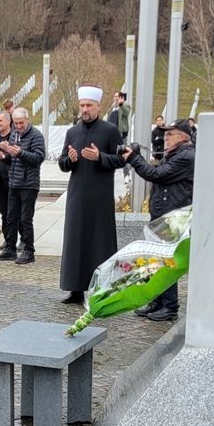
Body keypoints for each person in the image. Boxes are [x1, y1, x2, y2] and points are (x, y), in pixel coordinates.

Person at [56, 85, 126, 304]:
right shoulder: (72, 132)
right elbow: (62, 163)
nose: (85, 109)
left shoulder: (110, 130)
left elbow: (122, 159)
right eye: (82, 105)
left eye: (89, 105)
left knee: (99, 242)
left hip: (100, 196)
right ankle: (75, 289)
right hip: (77, 194)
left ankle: (101, 289)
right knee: (75, 241)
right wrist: (71, 160)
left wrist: (100, 157)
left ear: (98, 106)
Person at [124, 120, 196, 321]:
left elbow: (156, 174)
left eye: (170, 134)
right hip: (164, 216)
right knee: (157, 260)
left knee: (167, 261)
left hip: (174, 218)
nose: (165, 138)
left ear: (183, 137)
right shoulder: (174, 154)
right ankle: (158, 301)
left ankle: (170, 306)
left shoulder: (186, 157)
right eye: (165, 134)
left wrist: (134, 158)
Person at [0, 108, 46, 265]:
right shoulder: (15, 134)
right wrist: (4, 156)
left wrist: (19, 153)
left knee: (25, 219)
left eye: (21, 123)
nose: (18, 126)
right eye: (16, 123)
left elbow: (39, 157)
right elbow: (13, 160)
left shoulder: (36, 135)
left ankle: (29, 250)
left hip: (29, 184)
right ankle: (10, 248)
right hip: (14, 182)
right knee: (11, 217)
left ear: (27, 120)